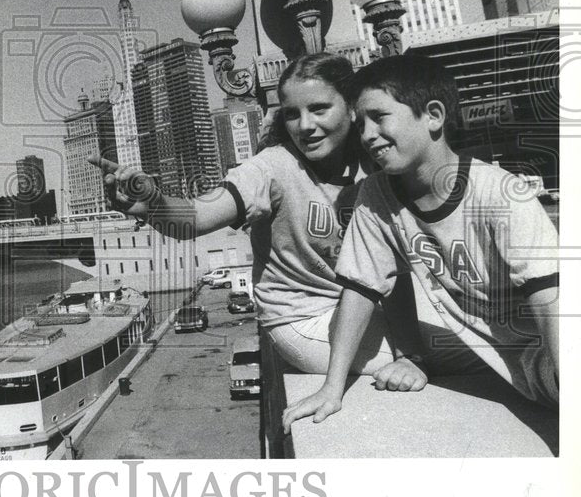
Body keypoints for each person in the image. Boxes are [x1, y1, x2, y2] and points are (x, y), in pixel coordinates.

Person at [89, 51, 422, 386]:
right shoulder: (271, 167)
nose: (305, 125)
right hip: (303, 320)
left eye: (319, 109)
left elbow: (394, 264)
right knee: (453, 346)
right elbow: (196, 217)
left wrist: (412, 354)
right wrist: (153, 203)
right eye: (292, 114)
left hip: (354, 310)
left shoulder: (374, 165)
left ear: (351, 108)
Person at [283, 55, 559, 431]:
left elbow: (551, 302)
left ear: (432, 115)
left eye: (379, 117)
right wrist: (332, 389)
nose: (366, 134)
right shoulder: (377, 193)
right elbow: (360, 288)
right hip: (519, 365)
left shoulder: (500, 194)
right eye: (360, 123)